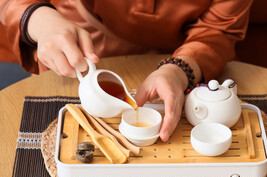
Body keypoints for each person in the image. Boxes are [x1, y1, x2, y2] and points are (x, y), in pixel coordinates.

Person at [0, 0, 253, 142]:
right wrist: (39, 19)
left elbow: (219, 28)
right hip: (71, 47)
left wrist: (179, 70)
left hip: (183, 53)